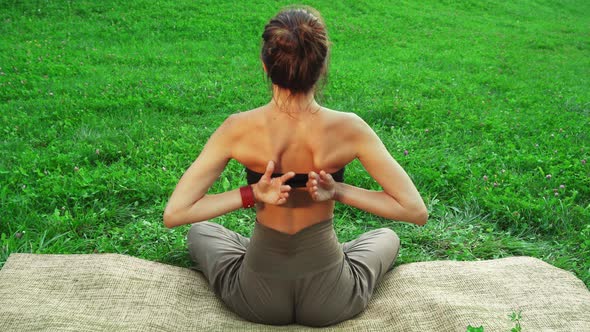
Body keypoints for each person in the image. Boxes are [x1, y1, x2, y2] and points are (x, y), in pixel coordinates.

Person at [163, 6, 428, 327]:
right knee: (387, 237)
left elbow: (176, 214)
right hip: (331, 300)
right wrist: (338, 190)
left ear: (265, 65)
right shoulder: (350, 129)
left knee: (201, 231)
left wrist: (253, 193)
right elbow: (415, 210)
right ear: (322, 65)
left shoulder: (237, 128)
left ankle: (262, 251)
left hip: (257, 300)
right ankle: (328, 254)